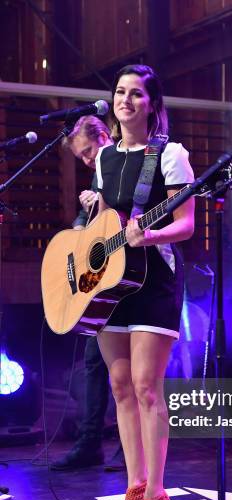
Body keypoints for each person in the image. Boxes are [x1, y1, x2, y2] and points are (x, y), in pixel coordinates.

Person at [95, 64, 195, 500]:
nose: (126, 101)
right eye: (120, 92)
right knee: (119, 386)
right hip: (111, 283)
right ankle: (133, 492)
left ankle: (157, 498)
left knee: (146, 387)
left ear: (152, 104)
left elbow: (186, 224)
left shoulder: (170, 155)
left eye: (136, 94)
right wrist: (96, 209)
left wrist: (150, 233)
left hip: (154, 280)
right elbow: (105, 225)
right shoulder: (104, 158)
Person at [51, 116, 114, 471]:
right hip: (104, 279)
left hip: (138, 276)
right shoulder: (98, 173)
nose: (88, 161)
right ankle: (90, 443)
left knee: (131, 372)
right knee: (93, 362)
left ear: (103, 136)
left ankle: (129, 446)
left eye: (89, 153)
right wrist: (77, 230)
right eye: (83, 159)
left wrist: (99, 204)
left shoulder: (125, 164)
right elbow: (86, 224)